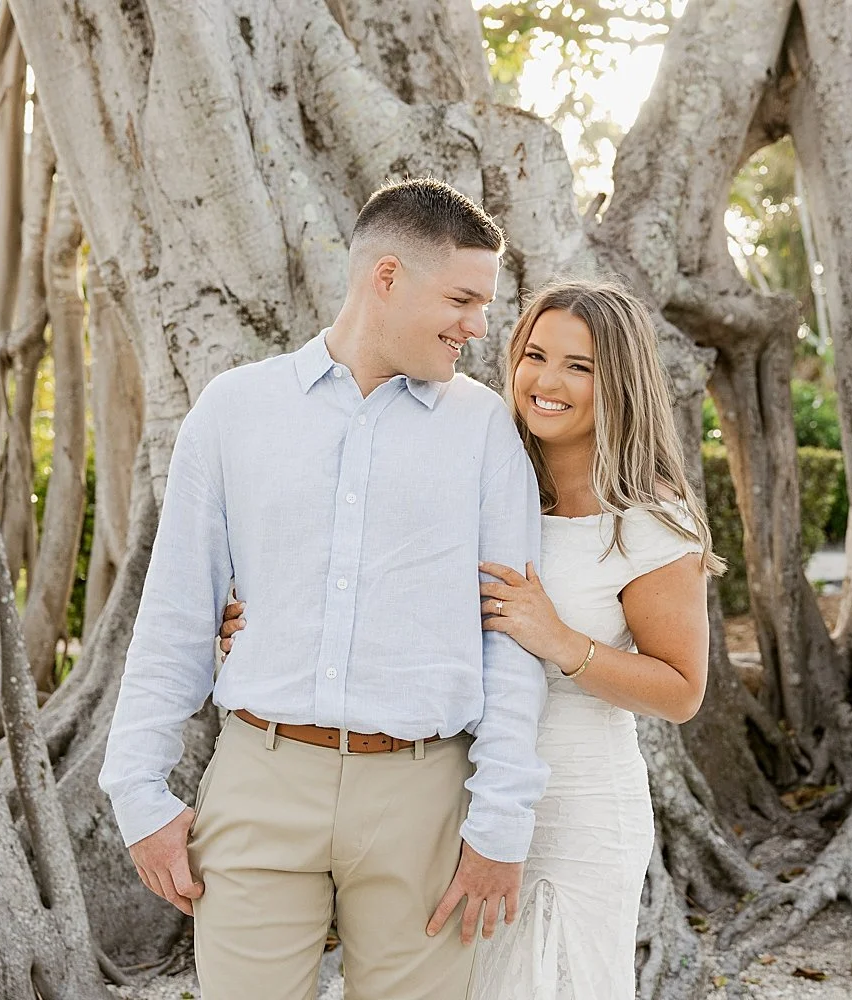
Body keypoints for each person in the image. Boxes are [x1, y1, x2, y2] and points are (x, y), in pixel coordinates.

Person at [99, 177, 550, 1000]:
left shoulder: (484, 429)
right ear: (385, 277)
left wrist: (501, 823)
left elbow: (511, 638)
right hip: (261, 781)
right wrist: (138, 791)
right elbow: (173, 613)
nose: (478, 327)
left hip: (425, 795)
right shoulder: (235, 410)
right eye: (461, 298)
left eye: (484, 305)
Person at [222, 279, 720, 998]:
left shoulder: (646, 521)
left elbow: (681, 691)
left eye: (578, 366)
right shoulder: (472, 470)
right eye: (535, 356)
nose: (546, 382)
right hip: (452, 790)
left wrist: (559, 640)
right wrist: (254, 619)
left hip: (576, 807)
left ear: (619, 382)